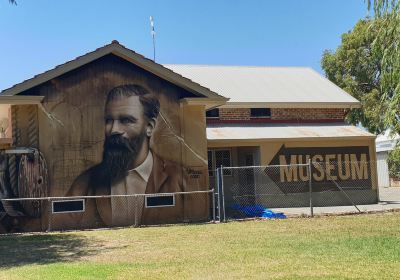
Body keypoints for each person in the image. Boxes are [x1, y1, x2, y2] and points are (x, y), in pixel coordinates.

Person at [67, 84, 187, 227]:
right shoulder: (84, 184)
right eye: (109, 120)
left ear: (149, 127)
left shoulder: (180, 180)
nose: (114, 130)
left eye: (126, 120)